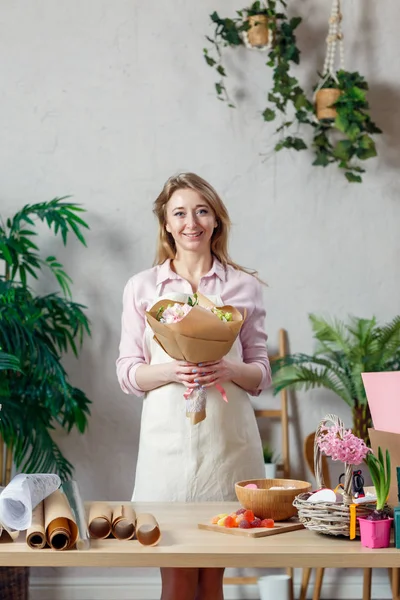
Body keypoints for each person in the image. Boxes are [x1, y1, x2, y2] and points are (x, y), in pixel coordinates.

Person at [117, 172, 271, 600]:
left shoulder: (244, 286)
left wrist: (228, 369)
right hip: (166, 447)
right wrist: (170, 371)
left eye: (202, 211)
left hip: (227, 444)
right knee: (178, 578)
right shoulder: (142, 288)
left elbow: (261, 372)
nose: (192, 222)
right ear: (165, 223)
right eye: (180, 213)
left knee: (212, 578)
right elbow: (128, 372)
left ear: (216, 221)